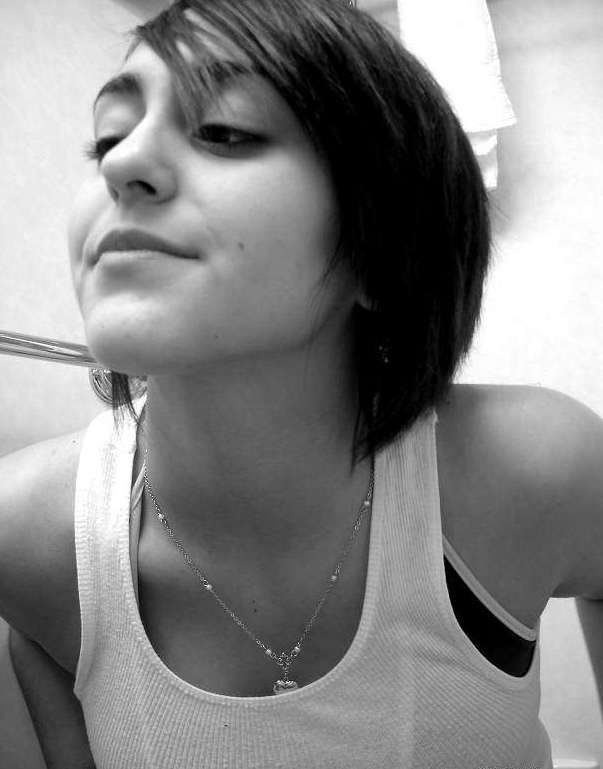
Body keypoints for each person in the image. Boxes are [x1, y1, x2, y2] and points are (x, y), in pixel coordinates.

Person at [2, 0, 602, 767]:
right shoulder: (25, 540)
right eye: (107, 137)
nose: (121, 164)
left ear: (382, 248)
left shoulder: (534, 470)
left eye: (225, 130)